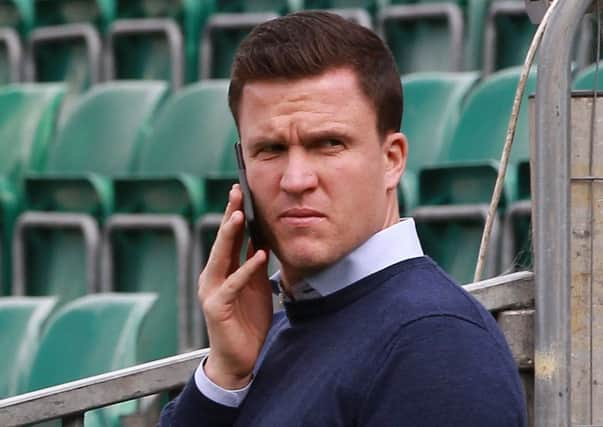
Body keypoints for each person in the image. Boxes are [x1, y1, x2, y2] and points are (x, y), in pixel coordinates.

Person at [159, 11, 526, 426]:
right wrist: (223, 377)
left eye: (329, 144)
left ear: (392, 161)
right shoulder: (264, 340)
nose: (296, 179)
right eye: (270, 150)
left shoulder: (437, 343)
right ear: (242, 168)